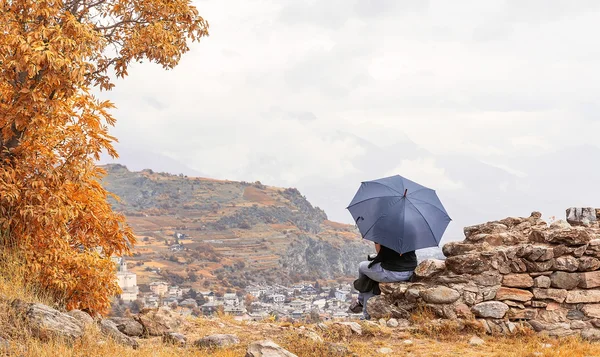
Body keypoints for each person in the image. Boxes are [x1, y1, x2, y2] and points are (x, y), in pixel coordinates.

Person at [349, 243, 417, 319]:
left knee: (362, 267)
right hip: (410, 271)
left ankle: (361, 303)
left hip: (391, 273)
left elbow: (380, 254)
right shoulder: (410, 235)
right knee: (371, 276)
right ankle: (365, 310)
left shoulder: (384, 234)